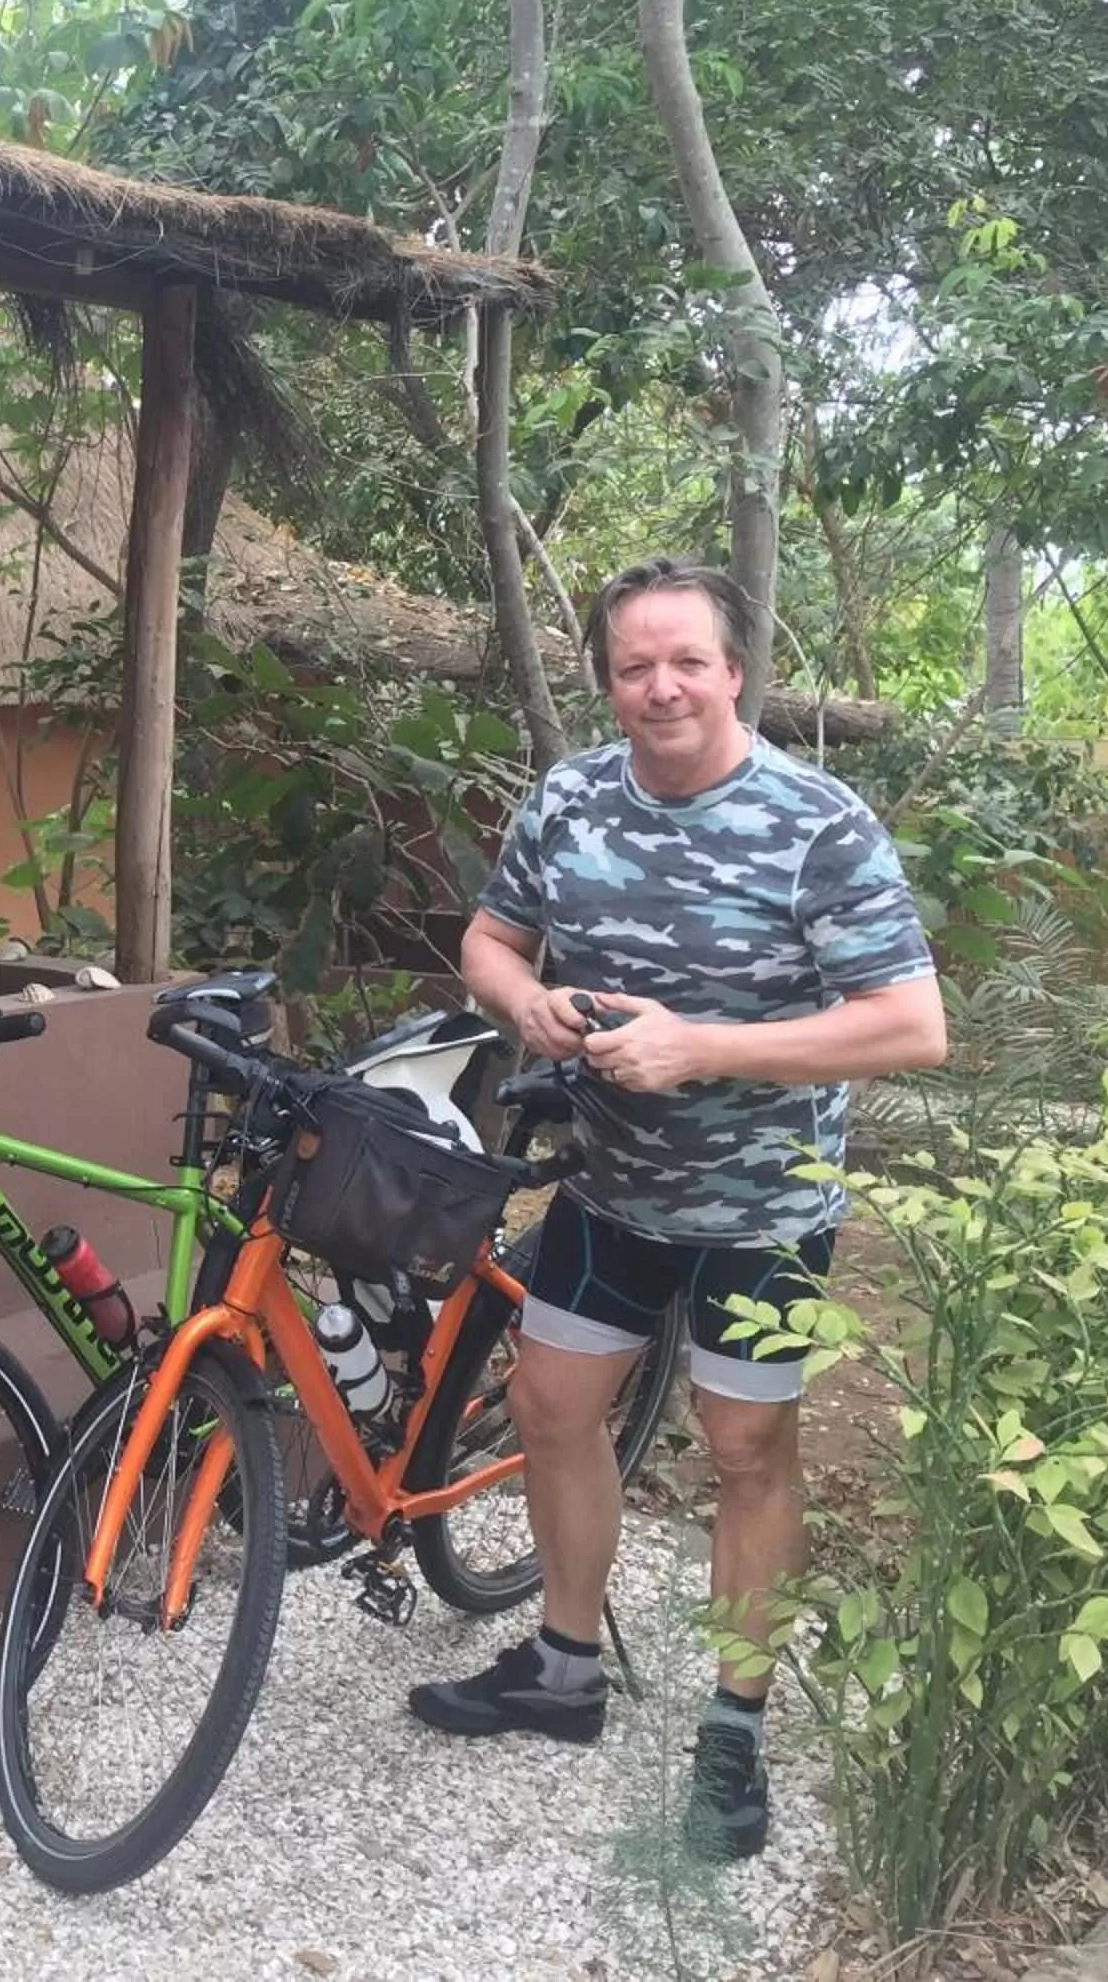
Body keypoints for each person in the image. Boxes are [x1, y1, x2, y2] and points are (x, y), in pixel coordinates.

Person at [408, 556, 946, 1862]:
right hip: (607, 1184)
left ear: (735, 670)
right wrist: (519, 999)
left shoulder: (818, 824)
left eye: (685, 661)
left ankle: (735, 1727)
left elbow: (911, 1026)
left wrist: (704, 1046)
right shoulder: (572, 798)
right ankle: (565, 1666)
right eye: (635, 665)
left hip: (761, 1206)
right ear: (606, 678)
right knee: (548, 1410)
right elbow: (491, 936)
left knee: (748, 1451)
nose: (660, 687)